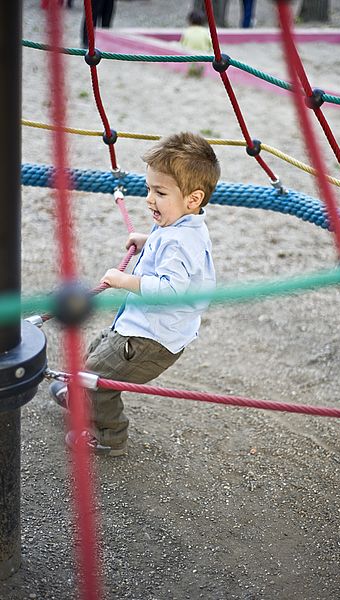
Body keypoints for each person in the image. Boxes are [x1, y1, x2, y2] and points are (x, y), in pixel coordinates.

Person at [50, 132, 221, 456]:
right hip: (142, 325)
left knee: (100, 382)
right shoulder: (181, 224)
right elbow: (174, 254)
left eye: (159, 192)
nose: (149, 199)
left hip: (150, 340)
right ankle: (80, 392)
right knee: (99, 348)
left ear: (193, 199)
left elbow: (171, 289)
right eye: (148, 189)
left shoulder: (177, 242)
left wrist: (123, 280)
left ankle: (110, 436)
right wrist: (147, 240)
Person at [180, 9, 212, 77]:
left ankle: (191, 71)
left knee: (190, 65)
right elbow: (210, 45)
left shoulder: (187, 31)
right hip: (203, 55)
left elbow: (182, 45)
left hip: (190, 56)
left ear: (189, 21)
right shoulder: (205, 32)